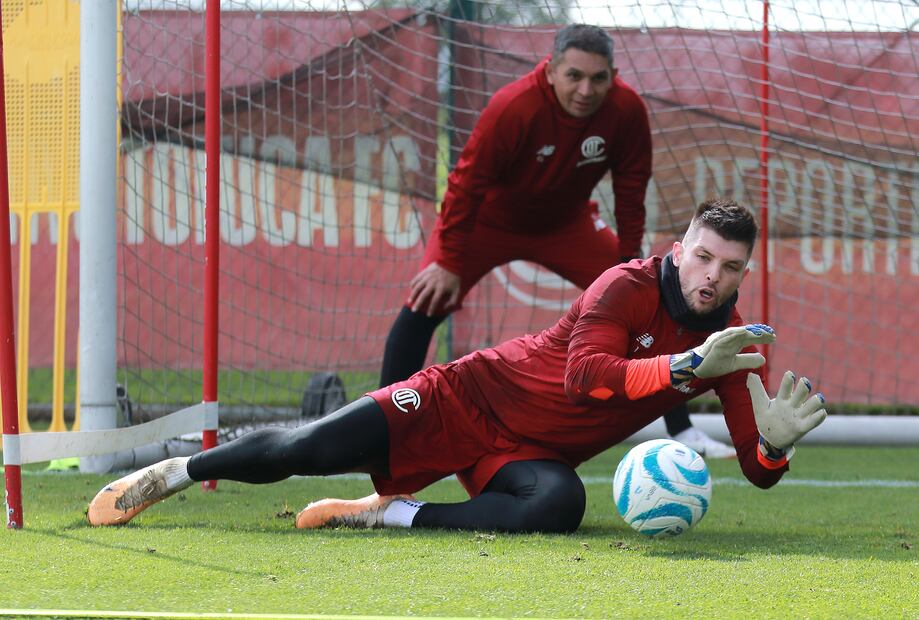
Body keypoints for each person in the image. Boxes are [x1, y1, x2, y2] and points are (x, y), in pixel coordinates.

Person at [88, 198, 828, 533]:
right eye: (702, 257)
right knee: (305, 450)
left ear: (743, 273)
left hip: (527, 455)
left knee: (559, 506)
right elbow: (585, 375)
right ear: (678, 250)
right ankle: (175, 473)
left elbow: (756, 468)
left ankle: (390, 514)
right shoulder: (624, 286)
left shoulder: (735, 344)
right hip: (464, 395)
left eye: (729, 267)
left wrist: (774, 446)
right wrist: (682, 365)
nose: (711, 276)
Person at [380, 23, 734, 458]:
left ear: (613, 75)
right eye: (574, 76)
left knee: (652, 305)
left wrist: (631, 265)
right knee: (426, 300)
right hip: (489, 220)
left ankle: (682, 431)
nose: (586, 90)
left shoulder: (626, 111)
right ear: (550, 71)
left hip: (568, 224)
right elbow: (466, 184)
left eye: (598, 78)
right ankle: (380, 430)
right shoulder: (513, 106)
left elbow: (631, 189)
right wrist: (449, 261)